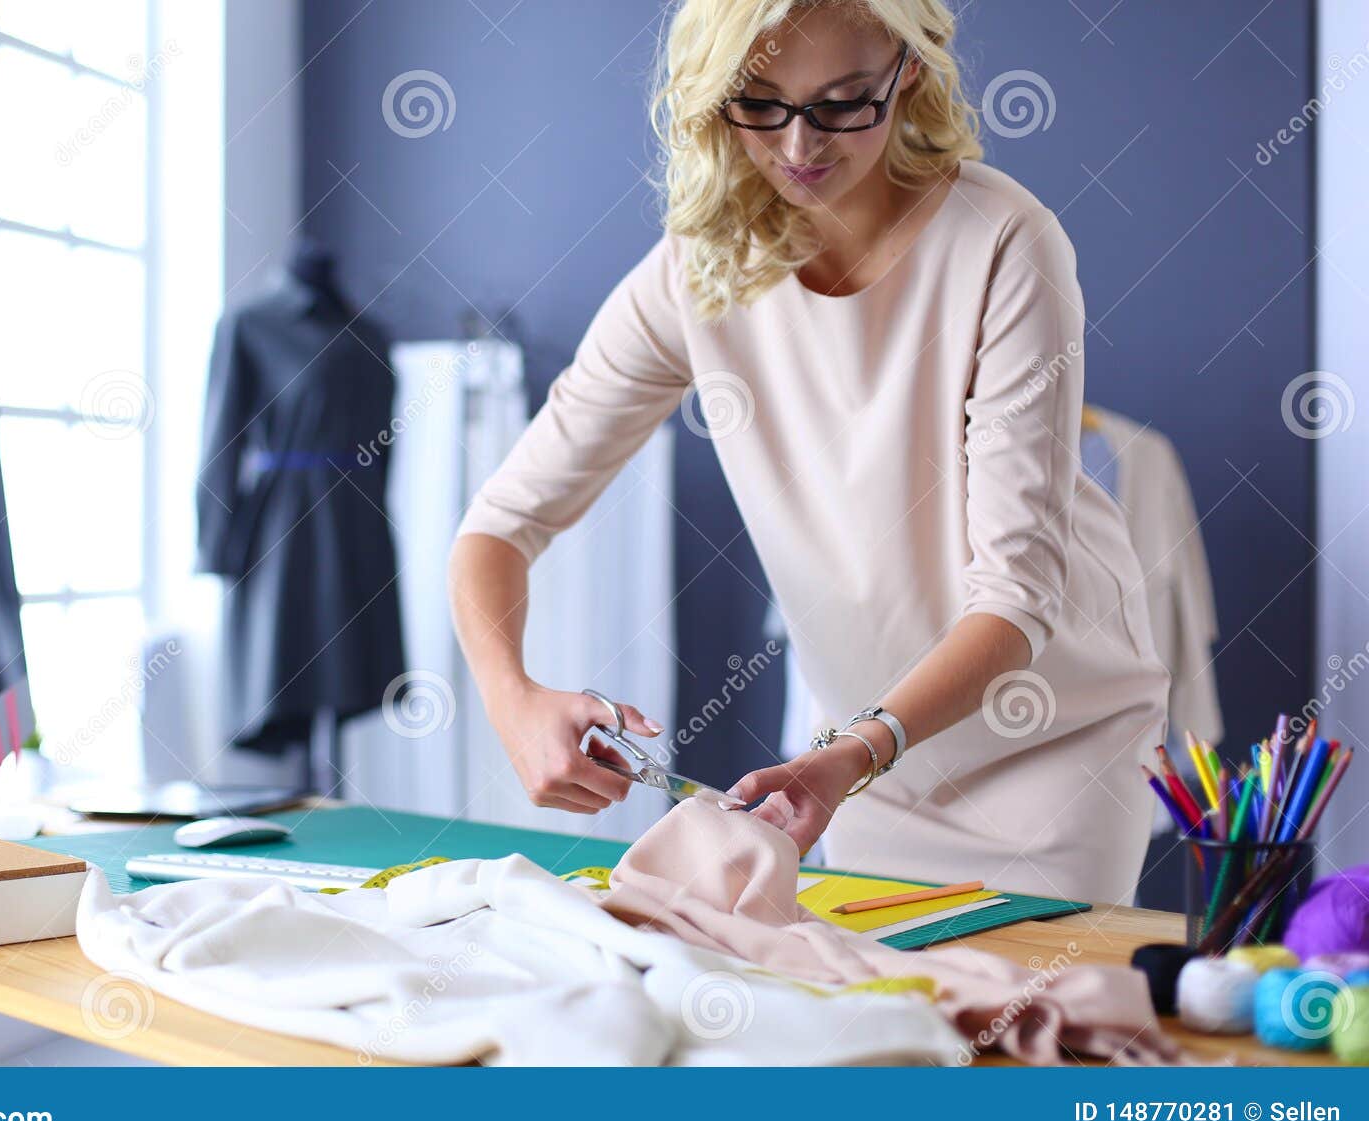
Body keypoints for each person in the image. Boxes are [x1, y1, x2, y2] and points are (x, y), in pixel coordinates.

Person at [448, 0, 1169, 904]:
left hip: (1047, 752)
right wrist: (511, 697)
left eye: (840, 102)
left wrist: (845, 758)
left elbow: (1017, 605)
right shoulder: (698, 269)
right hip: (861, 767)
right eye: (759, 102)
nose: (797, 146)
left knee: (1020, 1034)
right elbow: (500, 524)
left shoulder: (1004, 243)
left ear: (906, 71)